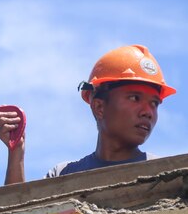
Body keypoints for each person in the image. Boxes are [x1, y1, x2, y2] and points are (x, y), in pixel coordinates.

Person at [45, 44, 176, 177]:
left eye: (154, 103)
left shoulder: (168, 175)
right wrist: (21, 157)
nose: (148, 112)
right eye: (135, 98)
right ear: (99, 107)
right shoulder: (63, 174)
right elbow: (29, 197)